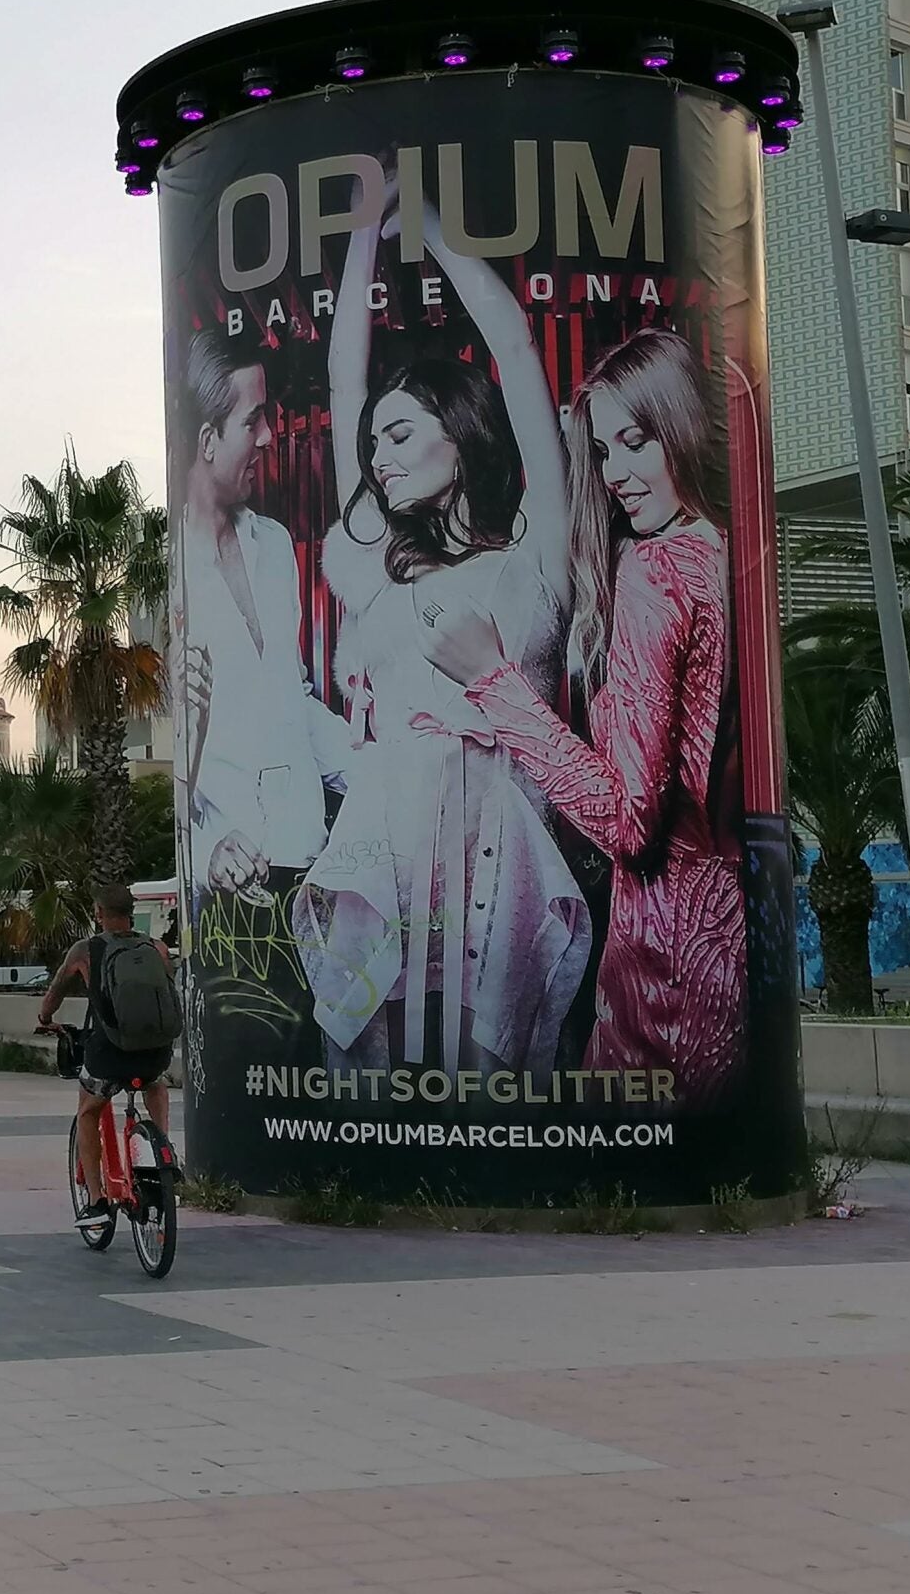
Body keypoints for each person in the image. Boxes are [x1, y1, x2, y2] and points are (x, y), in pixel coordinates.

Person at [296, 185, 590, 1077]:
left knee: (491, 1062)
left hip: (504, 848)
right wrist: (355, 245)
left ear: (459, 437)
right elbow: (346, 385)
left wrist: (433, 233)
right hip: (390, 849)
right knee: (374, 1054)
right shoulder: (374, 570)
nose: (377, 457)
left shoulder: (533, 560)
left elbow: (515, 350)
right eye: (372, 444)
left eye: (397, 435)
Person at [431, 327, 745, 1104]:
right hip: (727, 951)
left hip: (662, 977)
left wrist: (492, 681)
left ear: (681, 425)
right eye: (603, 452)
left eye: (636, 442)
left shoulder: (656, 574)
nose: (615, 475)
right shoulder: (725, 554)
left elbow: (626, 821)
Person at [173, 326, 360, 1079]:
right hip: (230, 896)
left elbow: (294, 699)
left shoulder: (275, 545)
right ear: (208, 437)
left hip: (307, 876)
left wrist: (385, 769)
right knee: (252, 1085)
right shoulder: (165, 570)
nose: (270, 435)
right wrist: (204, 851)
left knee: (317, 1079)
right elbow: (157, 755)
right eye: (254, 420)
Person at [36, 887, 179, 1221]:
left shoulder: (85, 950)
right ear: (131, 912)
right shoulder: (156, 948)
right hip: (154, 1051)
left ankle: (97, 1201)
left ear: (99, 912)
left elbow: (56, 990)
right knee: (154, 1083)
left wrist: (45, 1019)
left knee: (88, 1109)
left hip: (110, 1053)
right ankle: (163, 1151)